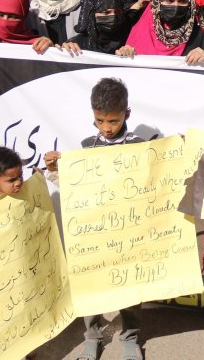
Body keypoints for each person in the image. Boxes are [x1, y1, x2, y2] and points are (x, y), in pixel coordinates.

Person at [43, 77, 154, 360]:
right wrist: (55, 169)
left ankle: (130, 337)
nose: (106, 127)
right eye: (100, 120)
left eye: (113, 121)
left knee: (130, 284)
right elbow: (74, 188)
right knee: (90, 282)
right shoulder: (86, 147)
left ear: (127, 114)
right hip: (94, 231)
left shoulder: (140, 147)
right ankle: (92, 336)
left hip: (128, 230)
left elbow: (153, 184)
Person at [67, 0, 132, 54]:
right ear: (92, 14)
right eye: (106, 12)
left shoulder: (129, 39)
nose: (113, 17)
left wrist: (129, 53)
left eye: (118, 12)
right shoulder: (77, 45)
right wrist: (64, 51)